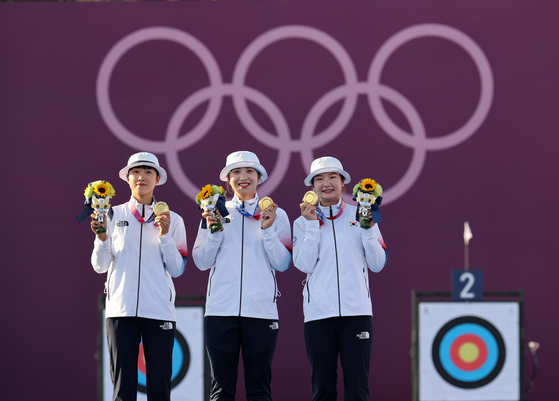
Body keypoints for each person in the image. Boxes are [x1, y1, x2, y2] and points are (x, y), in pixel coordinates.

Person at [193, 151, 292, 401]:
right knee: (221, 390)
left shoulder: (276, 214)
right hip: (219, 312)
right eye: (236, 172)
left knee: (259, 391)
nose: (243, 177)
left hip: (260, 312)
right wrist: (214, 230)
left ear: (259, 177)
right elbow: (201, 261)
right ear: (228, 180)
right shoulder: (214, 210)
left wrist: (268, 230)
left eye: (249, 171)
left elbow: (282, 263)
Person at [90, 152, 188, 401]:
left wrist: (165, 236)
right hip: (120, 311)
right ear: (127, 178)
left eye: (147, 171)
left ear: (157, 178)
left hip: (159, 312)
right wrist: (101, 239)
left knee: (159, 390)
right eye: (135, 171)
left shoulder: (173, 220)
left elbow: (177, 269)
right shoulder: (111, 215)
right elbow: (99, 266)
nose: (141, 176)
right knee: (123, 391)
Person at [292, 156, 388, 401]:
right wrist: (312, 225)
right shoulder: (302, 222)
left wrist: (367, 227)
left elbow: (377, 264)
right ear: (312, 187)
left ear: (343, 182)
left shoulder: (363, 214)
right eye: (320, 178)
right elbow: (303, 264)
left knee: (358, 390)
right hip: (318, 316)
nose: (326, 183)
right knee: (323, 389)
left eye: (332, 177)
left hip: (357, 314)